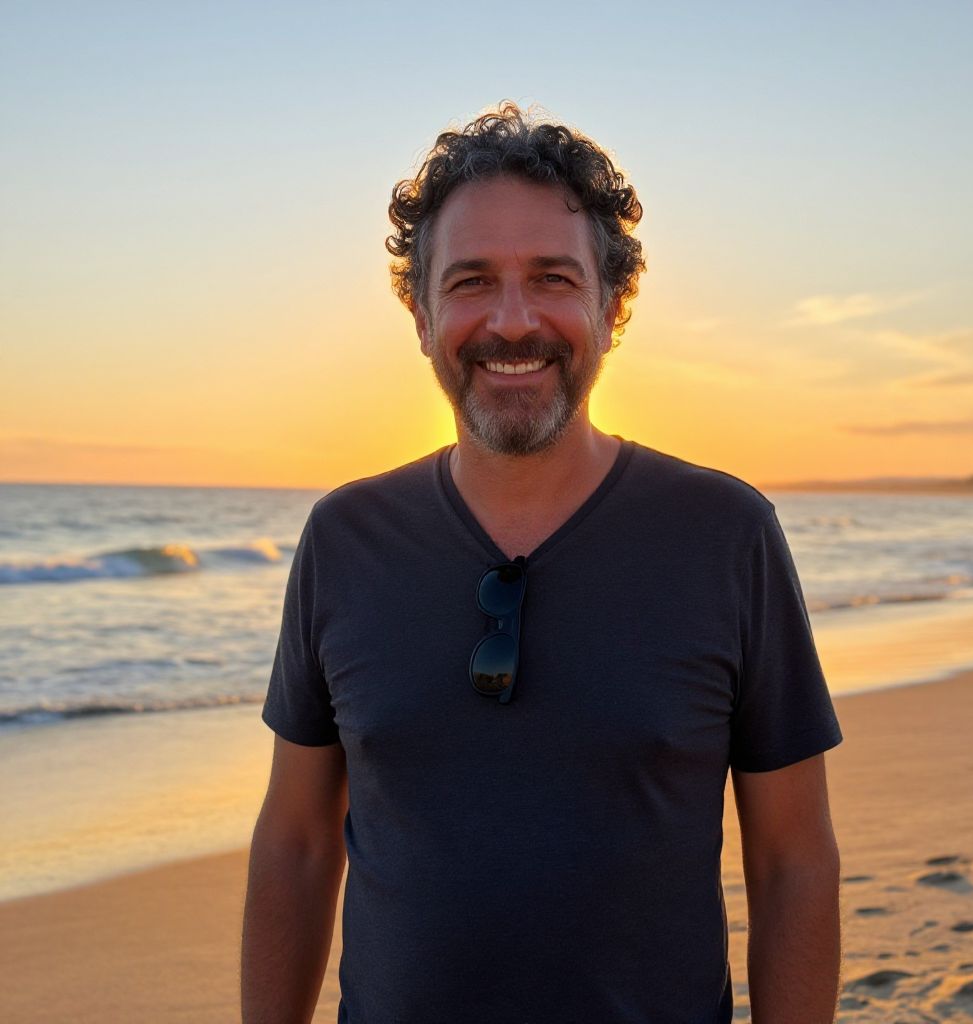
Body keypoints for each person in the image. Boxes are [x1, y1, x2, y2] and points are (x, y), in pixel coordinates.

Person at [241, 101, 843, 1024]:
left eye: (554, 278)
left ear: (612, 306)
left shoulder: (726, 533)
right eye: (472, 280)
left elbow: (792, 859)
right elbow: (296, 842)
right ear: (420, 310)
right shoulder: (344, 539)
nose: (513, 322)